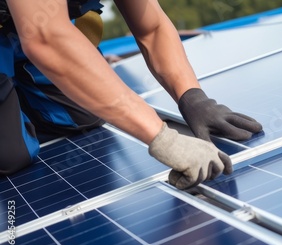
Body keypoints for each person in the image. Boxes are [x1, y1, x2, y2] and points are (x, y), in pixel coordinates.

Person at [0, 0, 263, 189]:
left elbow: (152, 28)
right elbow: (46, 39)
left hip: (28, 20)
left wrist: (193, 98)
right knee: (11, 156)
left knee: (85, 114)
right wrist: (162, 139)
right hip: (39, 29)